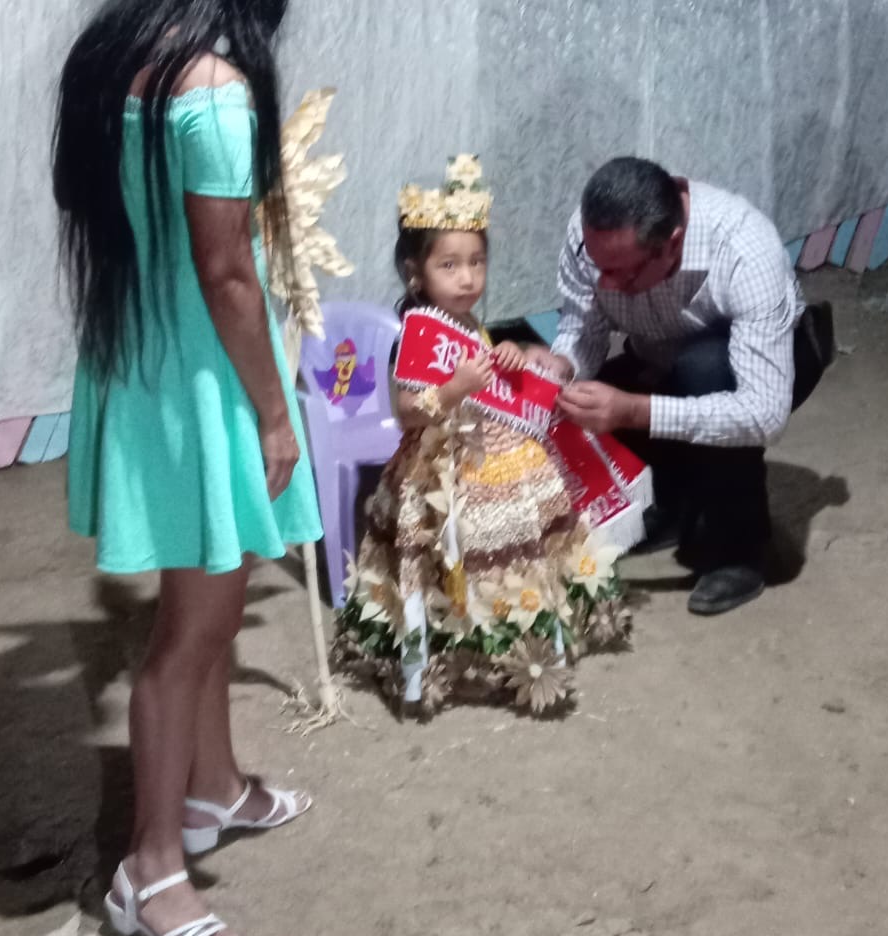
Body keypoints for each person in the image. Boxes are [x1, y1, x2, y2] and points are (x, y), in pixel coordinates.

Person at [53, 0, 322, 936]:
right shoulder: (213, 87)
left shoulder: (121, 48)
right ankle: (149, 866)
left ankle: (214, 785)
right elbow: (226, 273)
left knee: (213, 600)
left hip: (145, 363)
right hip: (205, 380)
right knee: (189, 634)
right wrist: (273, 411)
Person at [334, 159, 631, 717]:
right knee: (455, 554)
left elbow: (494, 374)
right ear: (415, 273)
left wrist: (509, 354)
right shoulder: (417, 334)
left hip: (501, 451)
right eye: (449, 265)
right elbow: (406, 410)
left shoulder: (470, 324)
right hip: (441, 466)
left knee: (520, 544)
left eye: (477, 262)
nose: (468, 278)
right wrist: (454, 389)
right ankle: (451, 651)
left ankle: (522, 638)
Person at [550, 157, 834, 617]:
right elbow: (584, 329)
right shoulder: (595, 238)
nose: (606, 283)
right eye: (598, 267)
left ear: (672, 243)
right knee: (585, 404)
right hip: (660, 357)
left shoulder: (744, 248)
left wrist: (635, 410)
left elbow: (763, 414)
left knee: (703, 371)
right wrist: (562, 365)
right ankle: (670, 505)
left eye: (622, 273)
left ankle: (738, 550)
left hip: (764, 367)